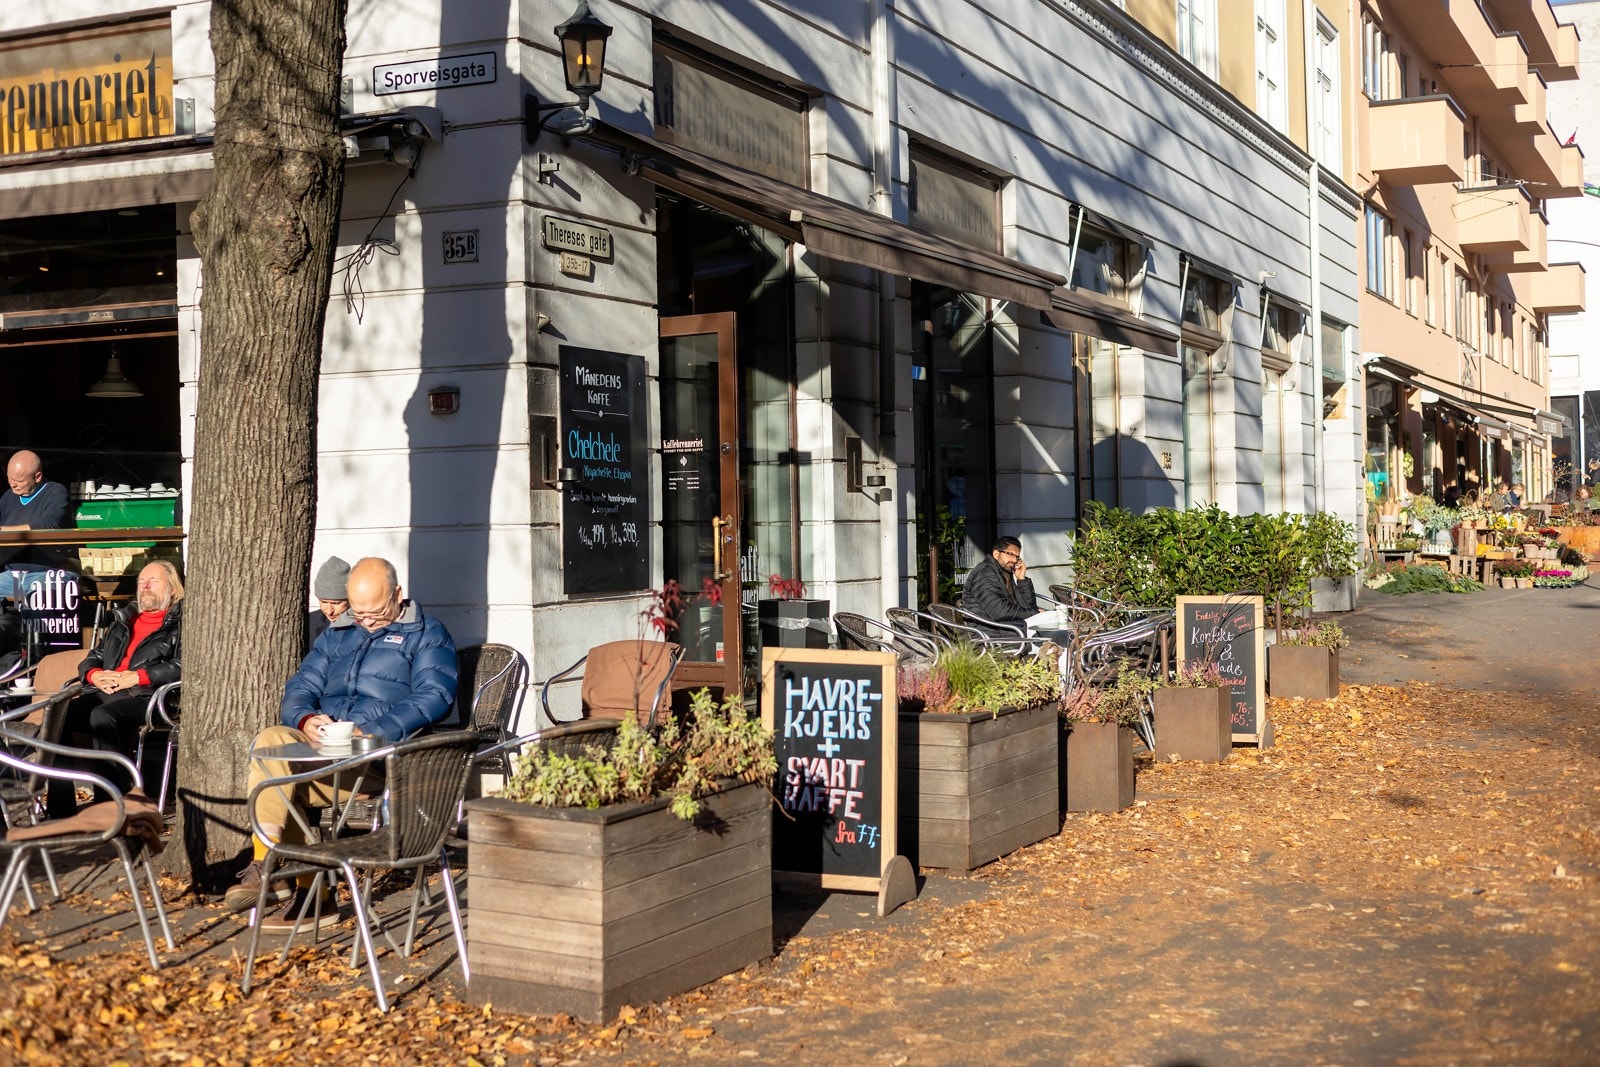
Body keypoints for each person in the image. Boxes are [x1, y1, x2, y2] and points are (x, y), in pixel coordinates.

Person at [227, 557, 457, 928]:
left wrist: (372, 731)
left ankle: (310, 893)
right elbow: (300, 687)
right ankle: (267, 863)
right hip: (324, 754)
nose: (365, 622)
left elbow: (434, 696)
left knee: (285, 783)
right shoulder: (337, 634)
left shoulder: (427, 633)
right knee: (271, 742)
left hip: (379, 761)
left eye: (376, 613)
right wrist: (306, 718)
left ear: (398, 594)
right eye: (359, 612)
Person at [48, 561, 183, 817]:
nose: (145, 586)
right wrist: (94, 674)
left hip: (149, 695)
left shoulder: (179, 623)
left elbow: (181, 665)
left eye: (153, 581)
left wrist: (138, 677)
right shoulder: (123, 620)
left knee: (103, 716)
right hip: (107, 690)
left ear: (172, 588)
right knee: (60, 713)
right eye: (141, 581)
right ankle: (60, 808)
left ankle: (111, 804)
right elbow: (92, 657)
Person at [0, 450, 71, 603]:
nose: (12, 484)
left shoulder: (55, 492)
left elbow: (49, 526)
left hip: (46, 573)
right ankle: (11, 624)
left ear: (37, 476)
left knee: (37, 600)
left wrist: (4, 531)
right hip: (13, 575)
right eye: (9, 478)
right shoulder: (7, 497)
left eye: (19, 480)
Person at [962, 535, 1038, 633]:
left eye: (1017, 556)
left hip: (1010, 628)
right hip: (992, 634)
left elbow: (1028, 606)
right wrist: (1033, 613)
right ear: (996, 554)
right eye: (1010, 554)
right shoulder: (984, 574)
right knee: (1053, 634)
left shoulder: (1005, 573)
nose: (1014, 560)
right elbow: (1000, 612)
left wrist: (1021, 580)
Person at [305, 555, 350, 652]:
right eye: (323, 602)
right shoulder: (308, 622)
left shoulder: (366, 624)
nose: (330, 611)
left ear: (350, 599)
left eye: (336, 603)